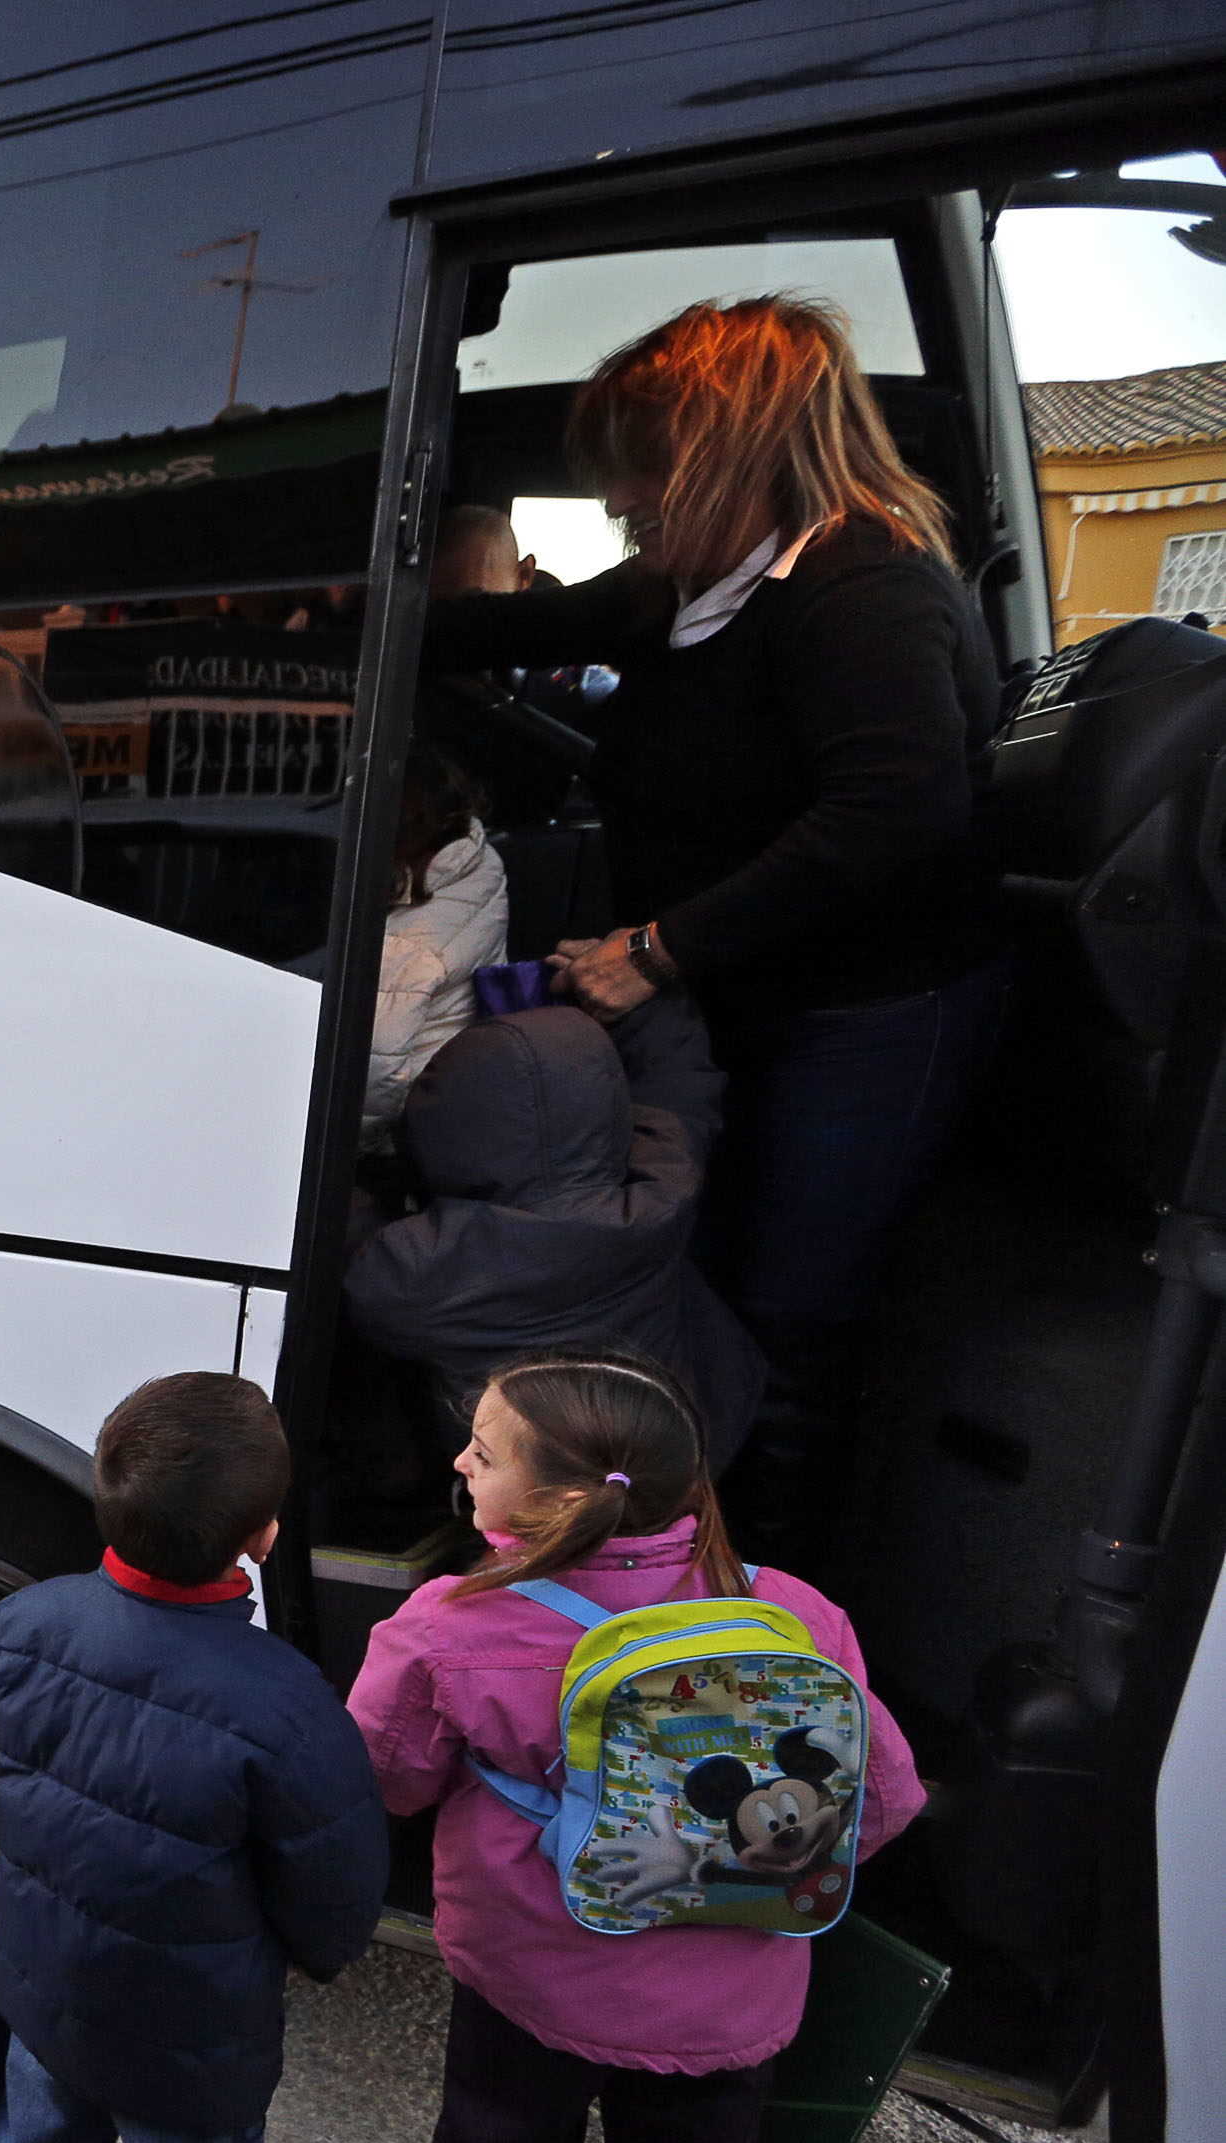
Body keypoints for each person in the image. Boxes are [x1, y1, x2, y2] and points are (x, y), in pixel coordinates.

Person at [422, 294, 1004, 1561]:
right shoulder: (693, 583)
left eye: (635, 468)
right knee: (717, 1289)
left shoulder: (861, 585)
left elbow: (894, 812)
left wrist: (654, 950)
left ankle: (775, 1620)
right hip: (753, 1004)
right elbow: (513, 627)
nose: (620, 499)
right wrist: (331, 620)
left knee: (789, 1315)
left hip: (864, 1018)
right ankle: (682, 1570)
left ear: (719, 449)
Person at [347, 1353, 921, 2143]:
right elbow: (882, 1800)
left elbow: (390, 1780)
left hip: (533, 1983)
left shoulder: (452, 1625)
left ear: (560, 1502)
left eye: (485, 1446)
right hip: (728, 2005)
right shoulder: (792, 1612)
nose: (460, 1456)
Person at [0, 1372, 384, 2143]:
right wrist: (313, 1956)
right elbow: (332, 1894)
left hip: (42, 1978)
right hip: (195, 2029)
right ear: (262, 1536)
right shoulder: (283, 1698)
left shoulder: (23, 1621)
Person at [346, 990, 762, 1470]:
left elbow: (330, 1205)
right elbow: (682, 1093)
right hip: (684, 1448)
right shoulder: (660, 1195)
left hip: (524, 1487)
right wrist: (647, 994)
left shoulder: (416, 1268)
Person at [364, 743, 511, 1148]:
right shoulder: (477, 860)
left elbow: (369, 1079)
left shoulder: (409, 945)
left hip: (404, 1129)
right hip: (459, 1087)